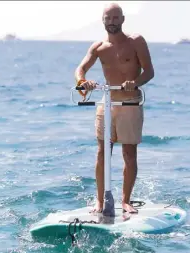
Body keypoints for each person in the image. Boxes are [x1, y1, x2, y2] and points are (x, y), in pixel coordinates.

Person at [74, 3, 154, 214]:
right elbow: (80, 68)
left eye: (116, 18)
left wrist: (135, 82)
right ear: (103, 20)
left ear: (122, 19)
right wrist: (83, 81)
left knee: (129, 153)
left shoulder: (136, 41)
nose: (112, 22)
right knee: (102, 153)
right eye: (108, 18)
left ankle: (126, 201)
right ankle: (99, 202)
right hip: (107, 103)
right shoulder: (99, 47)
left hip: (130, 103)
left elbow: (149, 71)